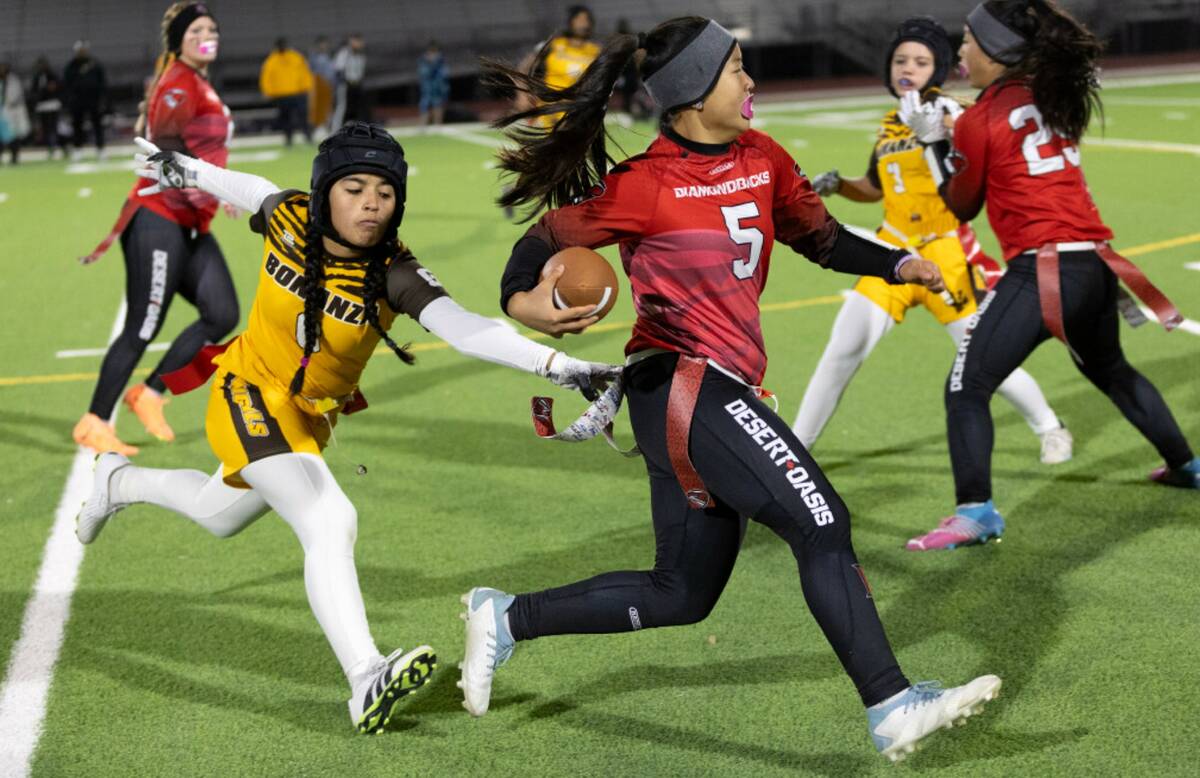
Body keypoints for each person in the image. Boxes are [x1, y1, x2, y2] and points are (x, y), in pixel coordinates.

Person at [461, 17, 1001, 762]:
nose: (750, 82)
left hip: (704, 391)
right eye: (737, 70)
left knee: (682, 593)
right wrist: (526, 304)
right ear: (691, 91)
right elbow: (543, 240)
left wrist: (894, 263)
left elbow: (820, 238)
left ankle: (507, 617)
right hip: (679, 381)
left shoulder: (763, 156)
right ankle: (892, 704)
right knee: (821, 523)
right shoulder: (645, 184)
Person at [76, 121, 620, 734]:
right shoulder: (290, 218)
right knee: (328, 518)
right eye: (354, 188)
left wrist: (559, 364)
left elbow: (466, 328)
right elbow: (254, 187)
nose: (370, 203)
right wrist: (190, 170)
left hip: (306, 418)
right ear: (324, 191)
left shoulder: (393, 271)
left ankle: (115, 483)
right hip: (246, 391)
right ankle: (365, 677)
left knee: (216, 514)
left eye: (384, 193)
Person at [903, 0, 1198, 551]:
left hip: (1044, 270)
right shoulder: (1050, 95)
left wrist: (933, 143)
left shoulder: (982, 118)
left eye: (969, 40)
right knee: (1112, 371)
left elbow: (960, 204)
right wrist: (955, 127)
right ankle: (1187, 464)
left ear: (996, 50)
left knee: (967, 387)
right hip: (1095, 264)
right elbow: (1008, 125)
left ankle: (975, 511)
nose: (961, 49)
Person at [792, 17, 1071, 467]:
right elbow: (878, 186)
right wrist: (841, 184)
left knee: (983, 359)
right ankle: (794, 451)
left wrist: (940, 133)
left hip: (947, 254)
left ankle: (1050, 426)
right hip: (893, 252)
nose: (908, 67)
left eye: (921, 61)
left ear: (938, 70)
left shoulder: (953, 114)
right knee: (842, 348)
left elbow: (968, 182)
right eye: (901, 59)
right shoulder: (891, 122)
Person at [74, 2, 239, 456]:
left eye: (213, 29)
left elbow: (197, 149)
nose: (209, 35)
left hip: (190, 222)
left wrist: (216, 192)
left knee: (221, 313)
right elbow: (164, 146)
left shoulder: (199, 81)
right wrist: (212, 190)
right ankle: (94, 421)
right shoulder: (179, 82)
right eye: (198, 30)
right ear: (180, 40)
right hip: (159, 219)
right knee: (143, 325)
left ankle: (149, 394)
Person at [260, 37, 313, 146]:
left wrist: (307, 87)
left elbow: (304, 72)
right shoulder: (272, 60)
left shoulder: (295, 57)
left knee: (303, 116)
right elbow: (266, 78)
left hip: (298, 92)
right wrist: (267, 91)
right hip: (282, 94)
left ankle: (308, 136)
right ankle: (288, 139)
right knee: (286, 119)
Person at [63, 40, 107, 160]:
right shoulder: (71, 66)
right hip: (77, 101)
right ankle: (78, 150)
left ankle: (100, 149)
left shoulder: (95, 64)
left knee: (97, 125)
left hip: (93, 100)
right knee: (77, 126)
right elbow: (67, 84)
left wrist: (102, 99)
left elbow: (102, 82)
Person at [30, 57, 64, 158]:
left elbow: (58, 87)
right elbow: (34, 91)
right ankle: (51, 148)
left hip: (53, 105)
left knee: (54, 128)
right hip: (42, 107)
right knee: (46, 129)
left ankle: (61, 146)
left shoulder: (53, 75)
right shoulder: (37, 77)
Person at [333, 34, 368, 126]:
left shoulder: (361, 54)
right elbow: (338, 69)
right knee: (342, 107)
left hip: (357, 84)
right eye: (357, 42)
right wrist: (344, 82)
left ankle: (355, 127)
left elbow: (360, 70)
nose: (360, 44)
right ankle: (336, 128)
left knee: (357, 108)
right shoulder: (344, 53)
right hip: (345, 84)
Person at [0, 62, 31, 165]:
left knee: (14, 136)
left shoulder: (13, 81)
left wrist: (7, 106)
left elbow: (14, 97)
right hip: (2, 114)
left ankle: (14, 157)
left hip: (12, 113)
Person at [308, 36, 337, 134]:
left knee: (328, 107)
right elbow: (311, 72)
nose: (324, 46)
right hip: (318, 85)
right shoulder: (314, 57)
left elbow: (332, 72)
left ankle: (327, 126)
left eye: (325, 44)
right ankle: (316, 127)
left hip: (329, 85)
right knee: (317, 108)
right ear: (318, 45)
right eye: (322, 44)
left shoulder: (329, 56)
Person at [418, 41, 449, 127]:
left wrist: (444, 87)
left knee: (438, 105)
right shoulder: (424, 60)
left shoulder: (440, 61)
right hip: (427, 88)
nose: (432, 54)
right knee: (425, 105)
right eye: (431, 51)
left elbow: (444, 74)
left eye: (434, 52)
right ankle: (423, 125)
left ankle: (438, 124)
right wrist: (430, 64)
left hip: (437, 88)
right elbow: (424, 73)